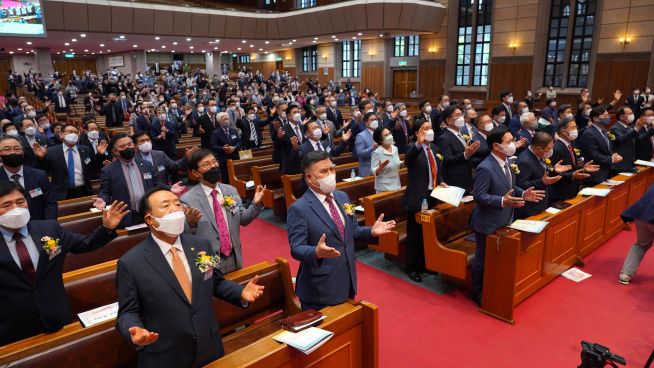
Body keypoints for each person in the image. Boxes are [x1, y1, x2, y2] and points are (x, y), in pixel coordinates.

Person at [116, 187, 264, 367]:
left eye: (177, 204)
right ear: (149, 219)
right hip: (166, 354)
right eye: (166, 205)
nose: (175, 209)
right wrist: (134, 331)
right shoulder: (131, 262)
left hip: (208, 346)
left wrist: (240, 292)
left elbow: (215, 282)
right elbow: (128, 311)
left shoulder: (201, 245)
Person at [0, 180, 128, 345]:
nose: (16, 210)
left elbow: (84, 244)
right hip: (12, 326)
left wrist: (106, 228)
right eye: (6, 205)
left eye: (20, 202)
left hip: (56, 315)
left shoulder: (48, 228)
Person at [287, 151, 395, 310]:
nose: (330, 174)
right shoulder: (299, 208)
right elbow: (296, 248)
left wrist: (371, 232)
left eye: (332, 169)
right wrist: (316, 252)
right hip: (319, 289)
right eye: (324, 171)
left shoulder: (342, 197)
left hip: (347, 278)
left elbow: (351, 231)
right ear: (309, 178)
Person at [469, 126, 546, 305]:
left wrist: (522, 194)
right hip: (487, 222)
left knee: (497, 259)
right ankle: (478, 293)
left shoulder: (507, 162)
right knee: (483, 259)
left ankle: (494, 286)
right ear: (496, 146)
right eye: (509, 141)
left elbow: (508, 187)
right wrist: (502, 201)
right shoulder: (485, 167)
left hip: (504, 218)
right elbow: (479, 196)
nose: (513, 144)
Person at [182, 149, 265, 274]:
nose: (213, 166)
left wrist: (256, 204)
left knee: (237, 289)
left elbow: (243, 219)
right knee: (212, 291)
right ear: (195, 172)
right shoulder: (187, 200)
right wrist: (190, 223)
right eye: (206, 164)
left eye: (214, 162)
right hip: (207, 260)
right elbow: (183, 236)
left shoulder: (230, 191)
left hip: (233, 256)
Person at [95, 133, 181, 227]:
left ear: (134, 146)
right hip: (125, 216)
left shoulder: (146, 164)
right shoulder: (108, 170)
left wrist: (169, 188)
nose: (127, 147)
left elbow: (155, 184)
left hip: (149, 212)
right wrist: (102, 200)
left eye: (129, 144)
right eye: (122, 146)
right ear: (115, 151)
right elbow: (105, 191)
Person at [402, 120, 446, 282]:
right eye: (425, 129)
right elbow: (408, 160)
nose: (429, 131)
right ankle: (412, 267)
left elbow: (436, 168)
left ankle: (425, 264)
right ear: (417, 133)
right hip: (417, 197)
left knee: (427, 232)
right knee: (414, 234)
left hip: (432, 194)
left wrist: (440, 180)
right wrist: (418, 144)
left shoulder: (434, 148)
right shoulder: (412, 148)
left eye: (430, 128)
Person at [43, 123, 107, 200]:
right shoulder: (52, 151)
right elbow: (45, 169)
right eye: (70, 132)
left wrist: (99, 155)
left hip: (84, 191)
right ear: (61, 134)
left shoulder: (85, 149)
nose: (73, 134)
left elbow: (93, 168)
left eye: (76, 133)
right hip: (61, 193)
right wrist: (41, 158)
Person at [515, 132, 570, 219]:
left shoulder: (538, 154)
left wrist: (553, 169)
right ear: (538, 148)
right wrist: (542, 182)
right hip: (531, 208)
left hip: (542, 203)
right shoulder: (524, 161)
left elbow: (540, 172)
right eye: (549, 148)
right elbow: (521, 185)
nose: (551, 150)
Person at [0, 136, 57, 220]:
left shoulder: (39, 175)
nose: (12, 152)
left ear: (22, 152)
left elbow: (50, 203)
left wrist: (48, 226)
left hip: (39, 226)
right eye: (7, 149)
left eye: (16, 149)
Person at [437, 106, 480, 193]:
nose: (461, 118)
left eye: (461, 114)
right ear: (448, 120)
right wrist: (465, 155)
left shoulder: (463, 133)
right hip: (455, 179)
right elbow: (449, 159)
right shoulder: (444, 138)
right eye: (457, 115)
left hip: (467, 176)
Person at [581, 106, 623, 186]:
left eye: (608, 115)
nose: (607, 118)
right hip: (595, 175)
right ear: (595, 118)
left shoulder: (604, 131)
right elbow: (594, 154)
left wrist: (612, 155)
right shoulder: (589, 133)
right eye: (604, 115)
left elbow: (605, 150)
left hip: (605, 173)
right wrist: (612, 159)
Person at [610, 106, 645, 175]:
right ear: (621, 117)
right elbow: (622, 139)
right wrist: (636, 128)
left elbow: (639, 139)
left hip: (629, 162)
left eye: (632, 113)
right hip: (620, 164)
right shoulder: (615, 128)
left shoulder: (628, 127)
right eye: (629, 114)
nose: (632, 115)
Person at [211, 112, 241, 185]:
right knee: (226, 179)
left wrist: (234, 147)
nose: (226, 121)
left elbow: (240, 142)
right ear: (219, 121)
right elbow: (213, 146)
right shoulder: (215, 133)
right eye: (224, 119)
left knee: (237, 177)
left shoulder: (234, 130)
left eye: (227, 119)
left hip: (235, 158)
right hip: (224, 160)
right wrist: (223, 148)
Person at [371, 126, 401, 193]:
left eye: (389, 133)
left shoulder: (395, 149)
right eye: (386, 135)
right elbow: (374, 172)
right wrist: (380, 168)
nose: (389, 136)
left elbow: (396, 163)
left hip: (397, 184)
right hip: (383, 188)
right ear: (380, 140)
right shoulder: (377, 153)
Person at [354, 112, 378, 177]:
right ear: (366, 122)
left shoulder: (380, 133)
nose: (375, 121)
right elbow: (359, 153)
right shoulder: (361, 136)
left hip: (380, 168)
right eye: (372, 120)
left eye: (376, 119)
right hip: (367, 170)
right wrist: (372, 148)